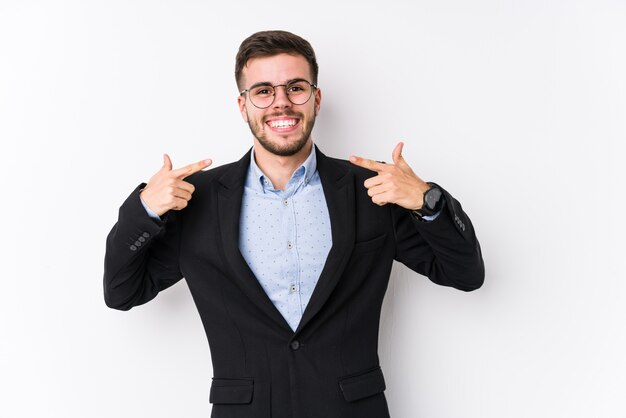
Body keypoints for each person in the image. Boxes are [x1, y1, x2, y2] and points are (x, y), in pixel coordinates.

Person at [104, 30, 484, 418]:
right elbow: (121, 292)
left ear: (316, 98)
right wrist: (144, 210)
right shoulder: (196, 200)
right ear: (243, 105)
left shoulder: (372, 190)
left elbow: (465, 273)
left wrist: (427, 201)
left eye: (296, 88)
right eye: (263, 91)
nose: (281, 103)